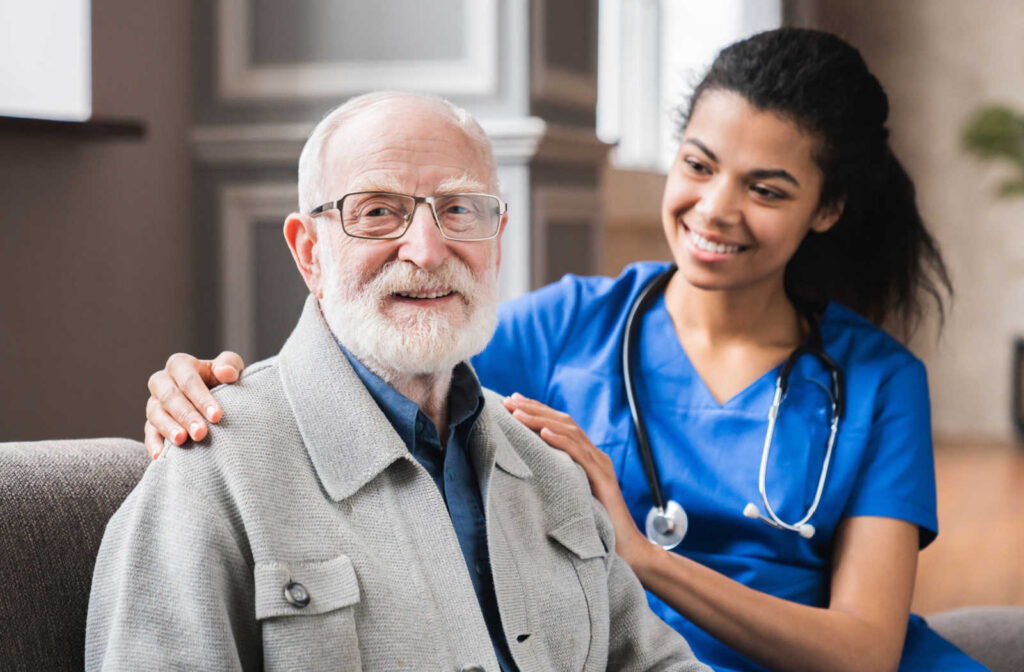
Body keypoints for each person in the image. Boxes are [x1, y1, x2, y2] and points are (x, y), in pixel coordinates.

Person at [141, 30, 988, 672]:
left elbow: (863, 651)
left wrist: (643, 556)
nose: (715, 210)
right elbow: (384, 365)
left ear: (827, 209)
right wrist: (213, 400)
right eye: (698, 164)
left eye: (767, 190)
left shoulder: (877, 382)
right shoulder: (573, 326)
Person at [87, 92, 709, 672]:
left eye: (459, 210)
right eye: (378, 212)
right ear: (309, 252)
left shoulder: (549, 469)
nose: (428, 249)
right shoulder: (213, 471)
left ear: (495, 243)